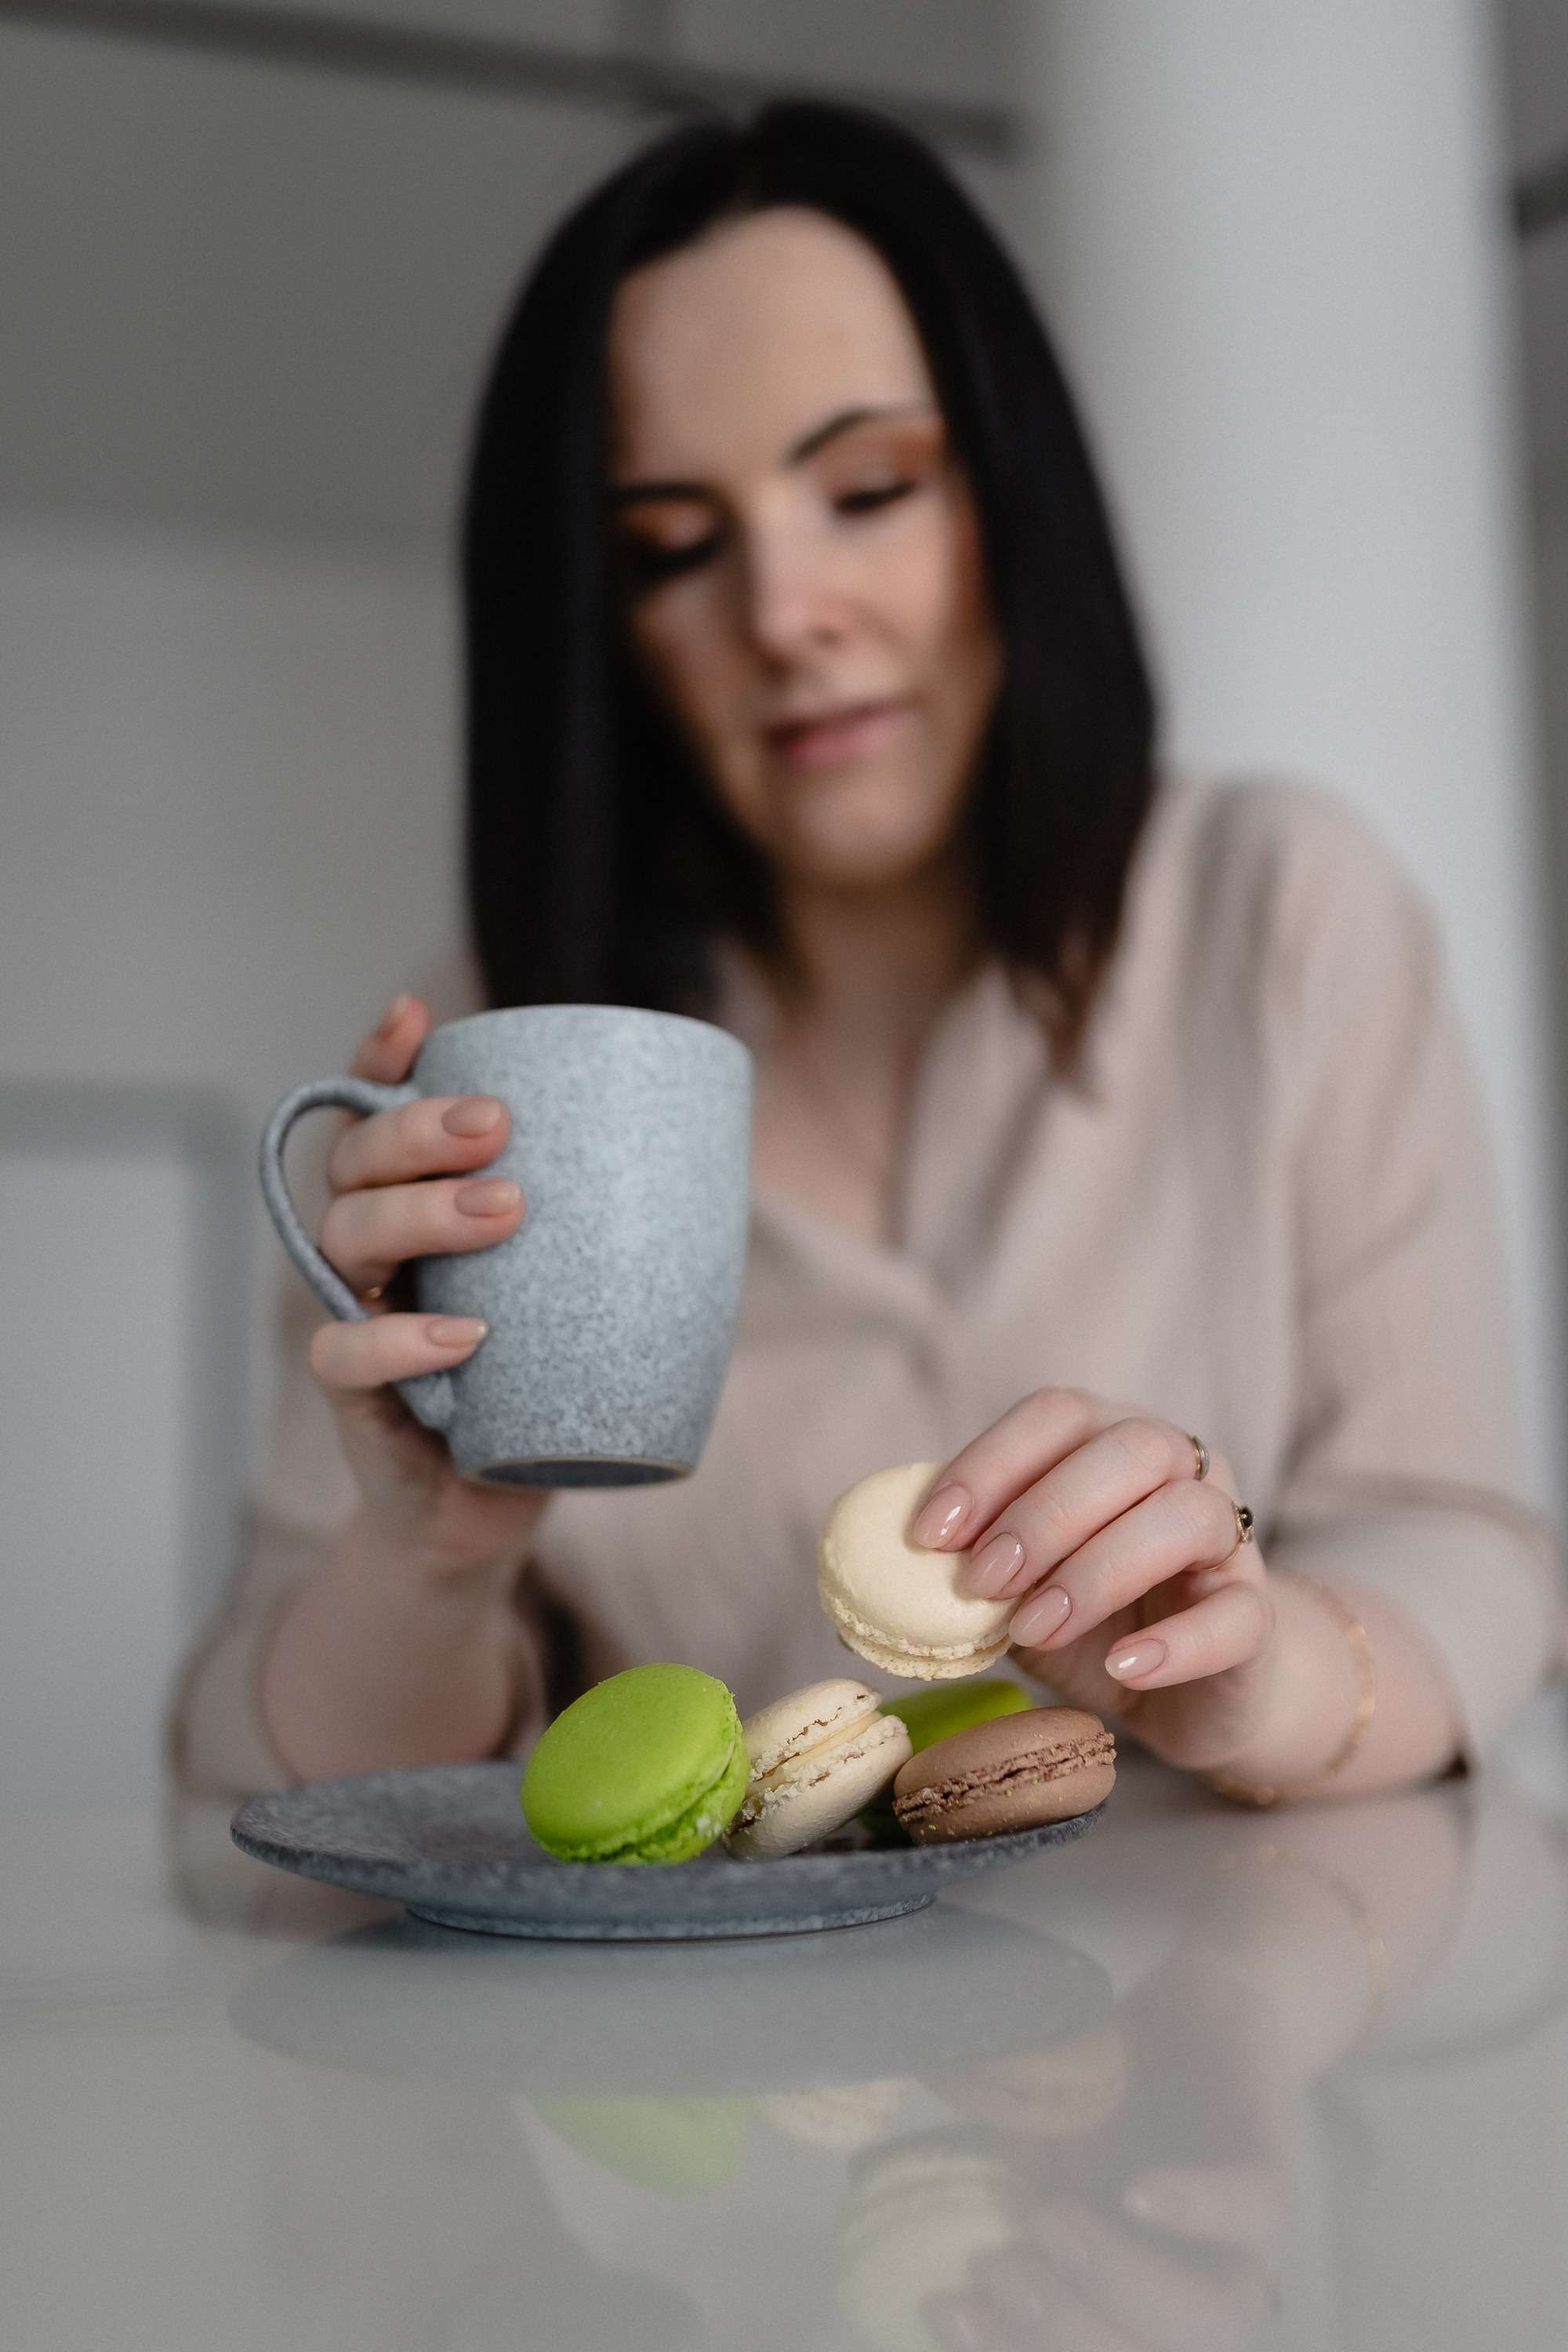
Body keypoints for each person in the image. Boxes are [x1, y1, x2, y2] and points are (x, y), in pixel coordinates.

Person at [174, 103, 1563, 1804]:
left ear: (1015, 495)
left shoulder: (1282, 914)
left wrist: (1255, 1681)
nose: (783, 615)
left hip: (1248, 1969)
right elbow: (231, 1754)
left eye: (870, 490)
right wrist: (422, 1565)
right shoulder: (484, 1054)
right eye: (674, 547)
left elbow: (1465, 1546)